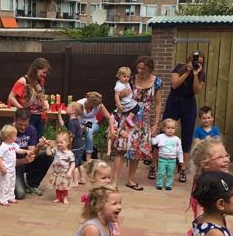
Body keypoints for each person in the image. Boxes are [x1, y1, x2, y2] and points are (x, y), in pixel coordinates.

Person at [114, 56, 163, 187]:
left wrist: (156, 123)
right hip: (128, 116)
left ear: (150, 68)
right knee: (121, 148)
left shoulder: (157, 82)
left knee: (136, 150)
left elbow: (158, 104)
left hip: (143, 120)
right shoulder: (130, 79)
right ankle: (114, 182)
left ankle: (130, 180)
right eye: (138, 68)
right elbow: (118, 95)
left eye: (143, 68)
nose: (140, 71)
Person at [161, 51, 206, 182]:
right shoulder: (179, 67)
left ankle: (183, 168)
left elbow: (196, 90)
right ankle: (157, 165)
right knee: (164, 132)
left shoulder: (201, 74)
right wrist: (187, 72)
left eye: (200, 62)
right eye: (195, 61)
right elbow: (175, 84)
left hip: (189, 104)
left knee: (187, 135)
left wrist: (195, 74)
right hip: (174, 102)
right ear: (189, 59)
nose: (197, 63)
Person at [85, 159, 125, 236]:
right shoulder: (93, 197)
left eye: (109, 177)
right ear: (93, 179)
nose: (107, 180)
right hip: (98, 230)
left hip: (109, 227)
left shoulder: (109, 192)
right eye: (103, 178)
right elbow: (88, 215)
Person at [188, 138, 231, 219]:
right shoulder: (206, 187)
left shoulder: (218, 181)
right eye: (220, 157)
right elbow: (202, 217)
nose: (226, 160)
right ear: (205, 164)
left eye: (226, 155)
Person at [12, 108, 51, 199]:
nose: (23, 128)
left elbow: (32, 154)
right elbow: (6, 160)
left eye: (25, 125)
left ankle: (32, 183)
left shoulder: (31, 129)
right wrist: (24, 160)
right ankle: (3, 180)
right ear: (15, 119)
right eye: (20, 124)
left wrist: (38, 147)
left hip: (26, 161)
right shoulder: (8, 131)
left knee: (47, 156)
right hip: (14, 165)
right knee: (20, 194)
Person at [8, 57, 50, 138]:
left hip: (40, 116)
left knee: (38, 140)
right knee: (27, 140)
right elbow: (11, 97)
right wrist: (22, 109)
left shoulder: (41, 81)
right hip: (28, 117)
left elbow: (39, 95)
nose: (45, 75)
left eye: (46, 73)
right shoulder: (23, 81)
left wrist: (44, 103)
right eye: (43, 72)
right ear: (36, 69)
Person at [0, 124, 29, 206]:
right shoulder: (3, 146)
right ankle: (3, 199)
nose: (16, 137)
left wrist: (26, 151)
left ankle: (11, 197)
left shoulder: (13, 145)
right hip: (6, 170)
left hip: (12, 169)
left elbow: (19, 150)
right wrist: (2, 167)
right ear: (9, 138)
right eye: (15, 136)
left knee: (12, 184)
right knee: (5, 185)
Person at [78, 92, 115, 162]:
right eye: (94, 105)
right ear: (89, 101)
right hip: (79, 123)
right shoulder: (80, 104)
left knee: (88, 130)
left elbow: (109, 118)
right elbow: (74, 117)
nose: (96, 106)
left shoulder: (99, 104)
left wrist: (112, 130)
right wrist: (80, 127)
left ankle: (88, 157)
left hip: (92, 123)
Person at [58, 102, 86, 184]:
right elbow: (62, 124)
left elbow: (71, 136)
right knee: (79, 162)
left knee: (74, 164)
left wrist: (68, 147)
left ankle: (75, 182)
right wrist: (59, 114)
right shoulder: (73, 120)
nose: (66, 108)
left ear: (73, 111)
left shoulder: (72, 123)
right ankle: (82, 179)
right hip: (80, 145)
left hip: (75, 146)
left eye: (68, 107)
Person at [151, 119, 184, 191]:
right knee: (160, 173)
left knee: (170, 174)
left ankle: (168, 185)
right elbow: (154, 143)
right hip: (162, 159)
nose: (170, 130)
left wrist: (181, 160)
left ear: (175, 129)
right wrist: (152, 137)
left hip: (172, 160)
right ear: (164, 128)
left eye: (172, 128)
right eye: (168, 128)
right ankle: (159, 184)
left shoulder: (177, 139)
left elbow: (180, 150)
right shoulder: (160, 136)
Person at [46, 132, 75, 204]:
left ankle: (65, 198)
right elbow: (48, 153)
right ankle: (58, 197)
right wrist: (48, 146)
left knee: (64, 187)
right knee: (58, 186)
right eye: (57, 142)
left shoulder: (69, 153)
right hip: (56, 173)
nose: (59, 144)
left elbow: (73, 163)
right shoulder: (56, 149)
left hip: (64, 173)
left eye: (61, 142)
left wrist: (70, 171)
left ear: (67, 143)